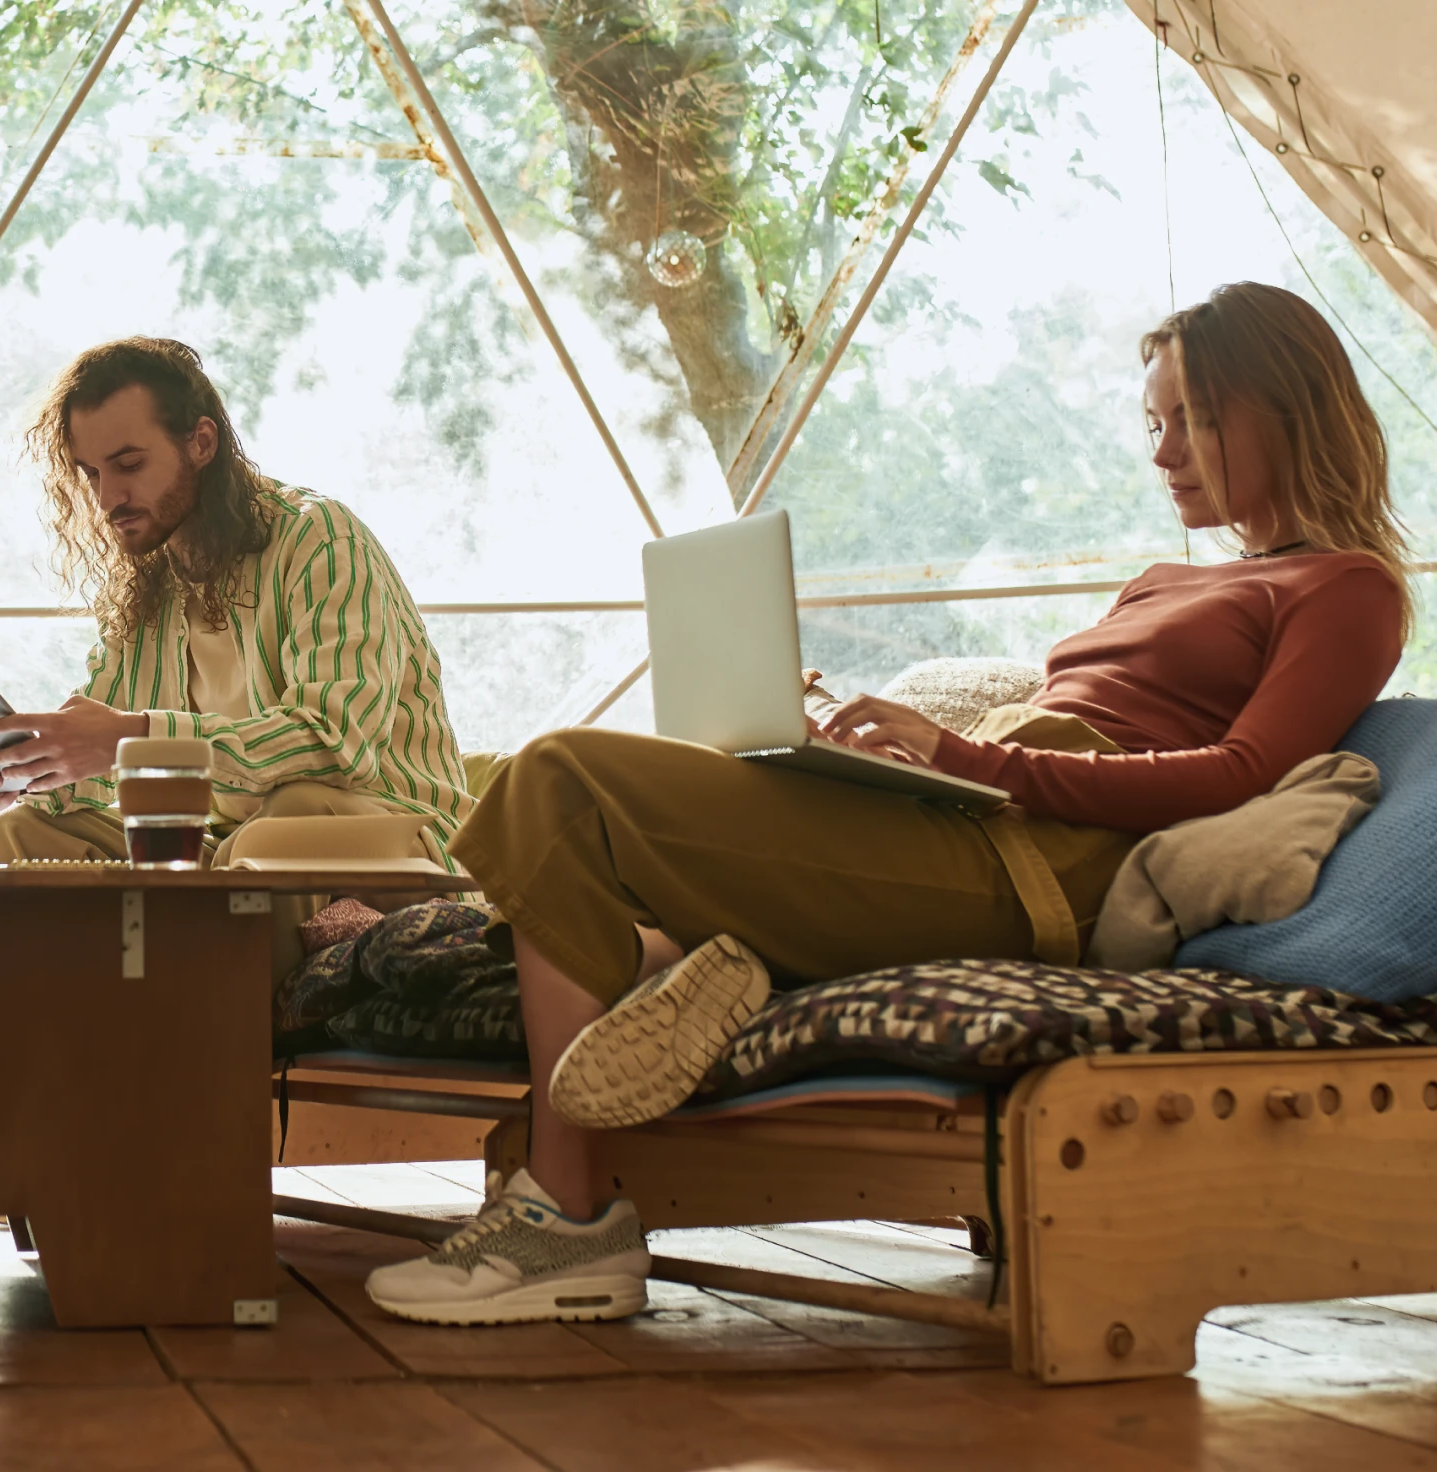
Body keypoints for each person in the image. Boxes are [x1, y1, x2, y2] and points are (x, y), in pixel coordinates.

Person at [364, 282, 1414, 1326]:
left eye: (1195, 417)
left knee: (560, 777)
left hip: (1044, 864)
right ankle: (669, 961)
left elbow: (1240, 770)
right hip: (968, 813)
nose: (1162, 450)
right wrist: (868, 753)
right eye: (1153, 420)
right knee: (584, 824)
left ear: (1286, 404)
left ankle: (569, 1212)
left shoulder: (1345, 587)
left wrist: (974, 760)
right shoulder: (1155, 581)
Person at [0, 337, 473, 966]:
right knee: (26, 832)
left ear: (201, 443)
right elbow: (104, 772)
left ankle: (231, 1041)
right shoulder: (146, 582)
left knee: (293, 817)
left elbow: (337, 744)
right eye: (91, 473)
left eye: (128, 464)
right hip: (220, 849)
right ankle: (76, 1038)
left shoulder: (319, 539)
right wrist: (26, 773)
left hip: (398, 846)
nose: (106, 497)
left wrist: (134, 738)